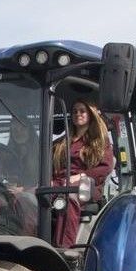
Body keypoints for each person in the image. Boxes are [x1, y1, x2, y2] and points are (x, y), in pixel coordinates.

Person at [51, 100, 114, 248]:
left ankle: (63, 249)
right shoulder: (61, 143)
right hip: (59, 184)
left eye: (82, 111)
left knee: (69, 198)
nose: (78, 114)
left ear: (90, 114)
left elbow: (105, 167)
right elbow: (51, 165)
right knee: (28, 197)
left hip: (86, 186)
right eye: (74, 111)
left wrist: (81, 176)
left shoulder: (99, 142)